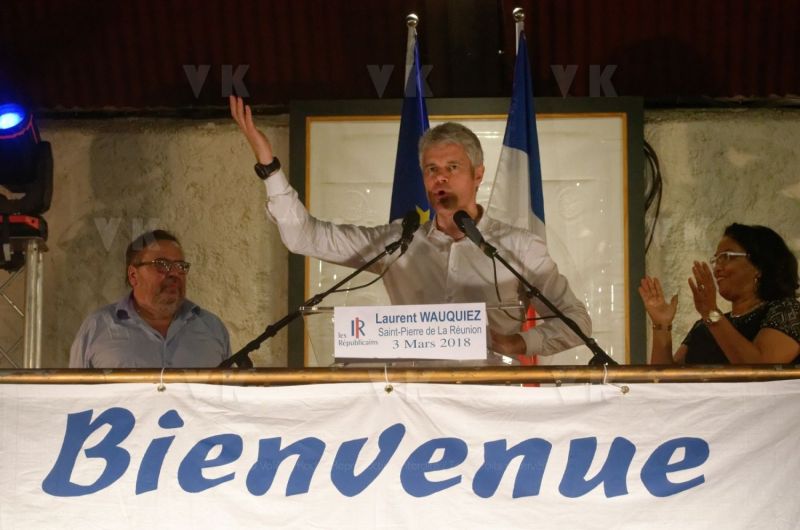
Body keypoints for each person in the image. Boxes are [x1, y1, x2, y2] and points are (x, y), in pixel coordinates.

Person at [230, 95, 590, 357]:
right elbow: (303, 237)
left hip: (491, 403)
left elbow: (577, 321)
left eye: (453, 168)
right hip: (412, 406)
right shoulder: (399, 243)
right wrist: (270, 167)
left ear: (478, 174)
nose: (440, 179)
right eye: (432, 170)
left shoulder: (519, 247)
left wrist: (519, 342)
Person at [639, 223, 800, 364]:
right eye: (716, 259)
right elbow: (665, 381)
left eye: (727, 257)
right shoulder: (703, 326)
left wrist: (711, 313)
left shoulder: (787, 311)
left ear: (759, 266)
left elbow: (760, 369)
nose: (717, 268)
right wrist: (661, 325)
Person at [69, 229, 231, 368]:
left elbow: (227, 398)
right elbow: (76, 398)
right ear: (133, 275)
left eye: (180, 266)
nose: (174, 273)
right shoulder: (98, 327)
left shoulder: (212, 328)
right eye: (162, 264)